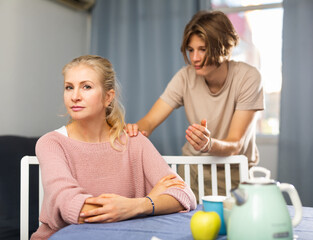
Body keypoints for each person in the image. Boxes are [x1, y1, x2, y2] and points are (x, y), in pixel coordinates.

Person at [31, 55, 197, 239]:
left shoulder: (134, 140)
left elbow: (184, 194)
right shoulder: (51, 143)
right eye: (69, 87)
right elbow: (72, 206)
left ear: (108, 97)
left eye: (86, 86)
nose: (75, 96)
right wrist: (149, 201)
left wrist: (137, 205)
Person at [127, 10, 264, 197]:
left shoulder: (248, 77)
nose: (195, 58)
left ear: (223, 47)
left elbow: (235, 144)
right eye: (191, 50)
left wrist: (208, 144)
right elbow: (148, 123)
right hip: (191, 172)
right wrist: (132, 133)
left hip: (232, 175)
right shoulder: (185, 77)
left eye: (203, 49)